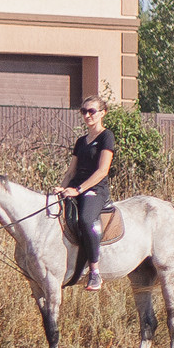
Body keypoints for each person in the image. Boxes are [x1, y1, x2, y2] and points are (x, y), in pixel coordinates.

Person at [55, 100, 115, 291]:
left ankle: (94, 272)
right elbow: (71, 171)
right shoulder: (81, 141)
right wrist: (61, 188)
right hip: (75, 187)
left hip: (95, 190)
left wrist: (79, 190)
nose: (87, 115)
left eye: (91, 111)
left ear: (103, 112)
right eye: (84, 111)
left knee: (87, 220)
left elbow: (102, 171)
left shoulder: (107, 136)